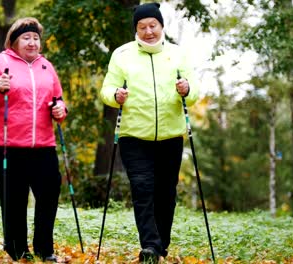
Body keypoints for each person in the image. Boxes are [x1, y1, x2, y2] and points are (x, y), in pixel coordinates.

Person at [100, 3, 199, 263]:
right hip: (134, 136)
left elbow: (195, 89)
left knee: (166, 192)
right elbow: (106, 89)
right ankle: (150, 246)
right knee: (142, 188)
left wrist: (186, 88)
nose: (148, 31)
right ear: (136, 29)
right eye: (142, 27)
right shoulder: (122, 54)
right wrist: (115, 95)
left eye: (152, 25)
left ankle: (160, 244)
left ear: (161, 26)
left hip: (170, 135)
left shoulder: (177, 54)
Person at [0, 17, 67, 262]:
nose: (32, 43)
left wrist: (60, 110)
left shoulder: (46, 67)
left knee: (48, 196)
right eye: (26, 38)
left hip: (43, 145)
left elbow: (57, 99)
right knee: (14, 200)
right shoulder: (0, 63)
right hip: (8, 146)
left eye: (36, 38)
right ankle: (17, 250)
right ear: (15, 42)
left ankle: (44, 249)